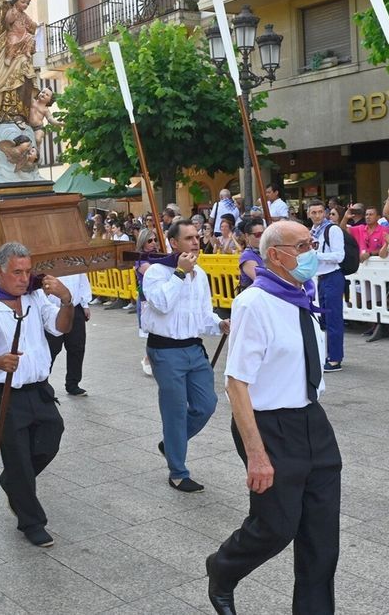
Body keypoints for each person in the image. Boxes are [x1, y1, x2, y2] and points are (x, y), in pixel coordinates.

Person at [207, 221, 339, 615]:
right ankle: (223, 567)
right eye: (302, 246)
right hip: (269, 425)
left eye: (312, 243)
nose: (311, 251)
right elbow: (236, 384)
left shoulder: (303, 295)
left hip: (312, 419)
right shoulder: (254, 302)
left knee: (321, 541)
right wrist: (256, 455)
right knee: (275, 528)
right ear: (276, 255)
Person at [0, 242, 74, 548]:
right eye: (17, 272)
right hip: (6, 394)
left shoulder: (35, 297)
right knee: (19, 457)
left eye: (27, 271)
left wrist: (66, 300)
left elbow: (60, 328)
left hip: (40, 390)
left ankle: (12, 482)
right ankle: (31, 521)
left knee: (52, 435)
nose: (24, 278)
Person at [141, 220, 229, 493]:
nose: (195, 242)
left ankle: (170, 444)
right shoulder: (156, 272)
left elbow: (202, 314)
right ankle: (178, 471)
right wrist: (179, 272)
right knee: (175, 412)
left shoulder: (200, 274)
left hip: (193, 348)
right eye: (188, 238)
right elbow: (163, 304)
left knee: (207, 404)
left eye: (197, 237)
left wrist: (219, 324)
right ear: (174, 243)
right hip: (165, 351)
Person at [307, 200, 346, 373]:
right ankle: (328, 354)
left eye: (320, 212)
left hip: (333, 276)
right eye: (313, 212)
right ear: (308, 214)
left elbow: (339, 256)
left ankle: (335, 358)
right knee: (323, 319)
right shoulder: (313, 232)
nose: (317, 215)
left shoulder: (332, 229)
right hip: (321, 277)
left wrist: (317, 255)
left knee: (333, 319)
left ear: (325, 213)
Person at [45, 273, 92, 397]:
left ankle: (73, 383)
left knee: (77, 346)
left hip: (74, 306)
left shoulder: (74, 261)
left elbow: (83, 281)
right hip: (49, 307)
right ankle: (41, 383)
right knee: (51, 348)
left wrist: (85, 304)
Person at [135, 229, 161, 377]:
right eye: (149, 241)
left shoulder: (157, 256)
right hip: (146, 300)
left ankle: (154, 359)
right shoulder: (139, 259)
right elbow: (153, 274)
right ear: (142, 242)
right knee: (151, 331)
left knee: (159, 329)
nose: (153, 243)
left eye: (154, 240)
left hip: (158, 298)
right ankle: (148, 359)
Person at [237, 218, 266, 290]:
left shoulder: (267, 252)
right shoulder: (247, 256)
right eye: (258, 234)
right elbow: (261, 279)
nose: (262, 237)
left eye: (264, 234)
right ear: (247, 236)